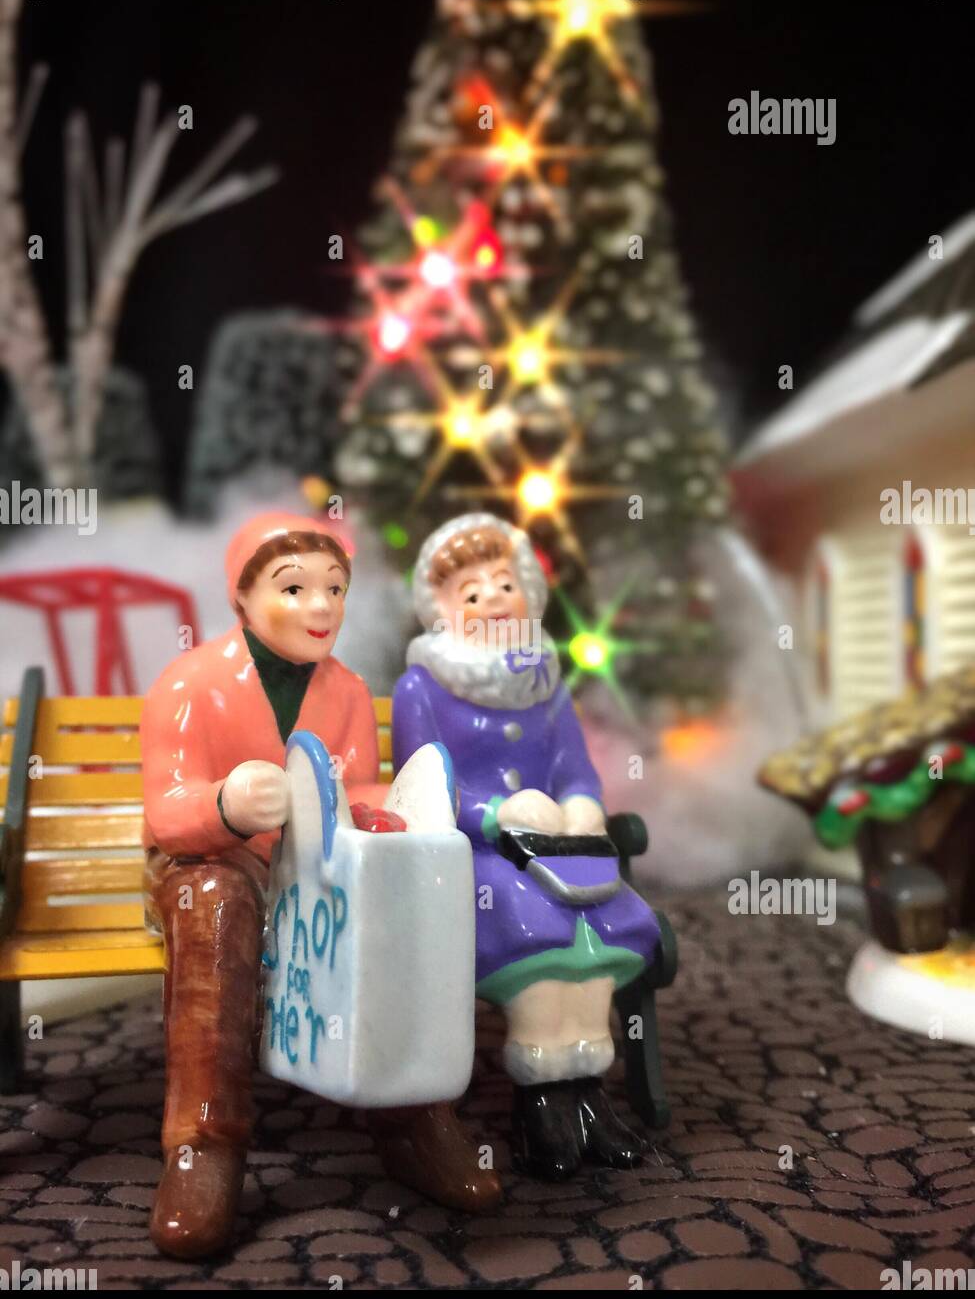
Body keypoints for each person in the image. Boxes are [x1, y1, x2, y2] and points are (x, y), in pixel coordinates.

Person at [141, 511, 501, 1259]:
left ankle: (410, 1110)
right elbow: (167, 812)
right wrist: (225, 806)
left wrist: (383, 813)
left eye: (334, 588)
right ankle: (204, 1140)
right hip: (214, 862)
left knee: (396, 885)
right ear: (240, 598)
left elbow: (357, 782)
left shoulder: (345, 691)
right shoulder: (189, 683)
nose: (320, 606)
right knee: (214, 905)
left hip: (316, 862)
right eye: (294, 587)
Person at [393, 513, 659, 1180]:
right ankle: (543, 1101)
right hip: (475, 857)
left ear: (529, 595)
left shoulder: (546, 683)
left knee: (602, 916)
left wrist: (581, 803)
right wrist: (493, 814)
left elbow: (573, 762)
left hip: (560, 848)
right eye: (468, 592)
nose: (488, 599)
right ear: (441, 612)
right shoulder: (421, 688)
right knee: (531, 920)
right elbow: (422, 784)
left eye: (501, 583)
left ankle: (587, 1095)